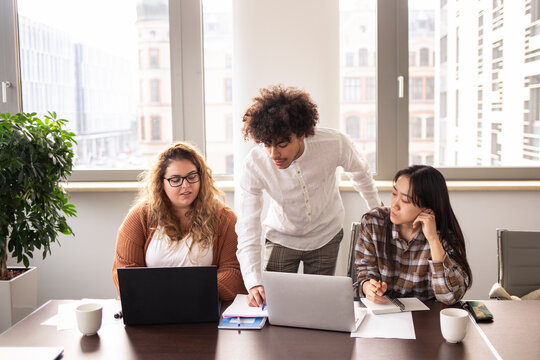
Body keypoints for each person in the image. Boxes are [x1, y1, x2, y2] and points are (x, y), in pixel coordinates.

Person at [236, 85, 381, 307]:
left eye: (283, 145)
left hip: (326, 235)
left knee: (319, 306)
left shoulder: (334, 143)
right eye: (267, 145)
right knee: (277, 306)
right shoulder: (254, 164)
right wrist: (253, 281)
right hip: (281, 238)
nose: (274, 154)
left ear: (301, 135)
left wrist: (378, 213)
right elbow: (247, 226)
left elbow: (361, 173)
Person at [112, 142, 246, 301]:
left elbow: (234, 274)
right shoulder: (140, 217)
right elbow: (125, 274)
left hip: (203, 308)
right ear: (161, 183)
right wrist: (177, 291)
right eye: (175, 179)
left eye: (192, 177)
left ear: (201, 177)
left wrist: (187, 291)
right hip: (151, 307)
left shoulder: (224, 218)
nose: (186, 185)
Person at [355, 165, 472, 305]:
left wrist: (433, 239)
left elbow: (449, 297)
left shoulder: (443, 237)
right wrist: (369, 286)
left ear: (427, 209)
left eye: (405, 201)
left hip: (426, 319)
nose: (394, 205)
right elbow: (365, 273)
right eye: (394, 193)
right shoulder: (373, 222)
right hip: (382, 314)